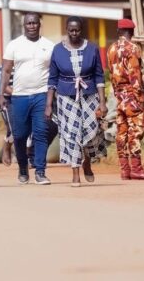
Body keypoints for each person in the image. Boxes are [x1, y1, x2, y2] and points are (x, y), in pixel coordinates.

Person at [46, 16, 107, 187]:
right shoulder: (58, 50)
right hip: (66, 96)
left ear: (81, 30)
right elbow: (52, 79)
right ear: (67, 30)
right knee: (71, 133)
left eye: (77, 30)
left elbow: (99, 76)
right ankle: (75, 173)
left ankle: (87, 161)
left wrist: (102, 102)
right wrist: (49, 105)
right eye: (71, 30)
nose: (74, 33)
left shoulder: (92, 49)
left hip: (89, 95)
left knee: (91, 130)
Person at [0, 12, 54, 185]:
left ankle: (40, 171)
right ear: (24, 25)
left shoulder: (49, 46)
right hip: (19, 96)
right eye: (28, 23)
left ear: (39, 25)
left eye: (34, 23)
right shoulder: (14, 45)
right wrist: (1, 94)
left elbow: (54, 72)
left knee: (40, 134)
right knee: (20, 135)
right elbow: (6, 71)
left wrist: (51, 98)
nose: (32, 26)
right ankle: (23, 168)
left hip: (41, 95)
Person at [108, 19, 144, 180]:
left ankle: (125, 170)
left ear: (119, 31)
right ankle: (136, 168)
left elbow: (112, 74)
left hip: (119, 97)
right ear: (132, 32)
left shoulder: (111, 49)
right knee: (136, 131)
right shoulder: (132, 49)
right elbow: (135, 76)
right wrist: (140, 97)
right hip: (132, 96)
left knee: (121, 132)